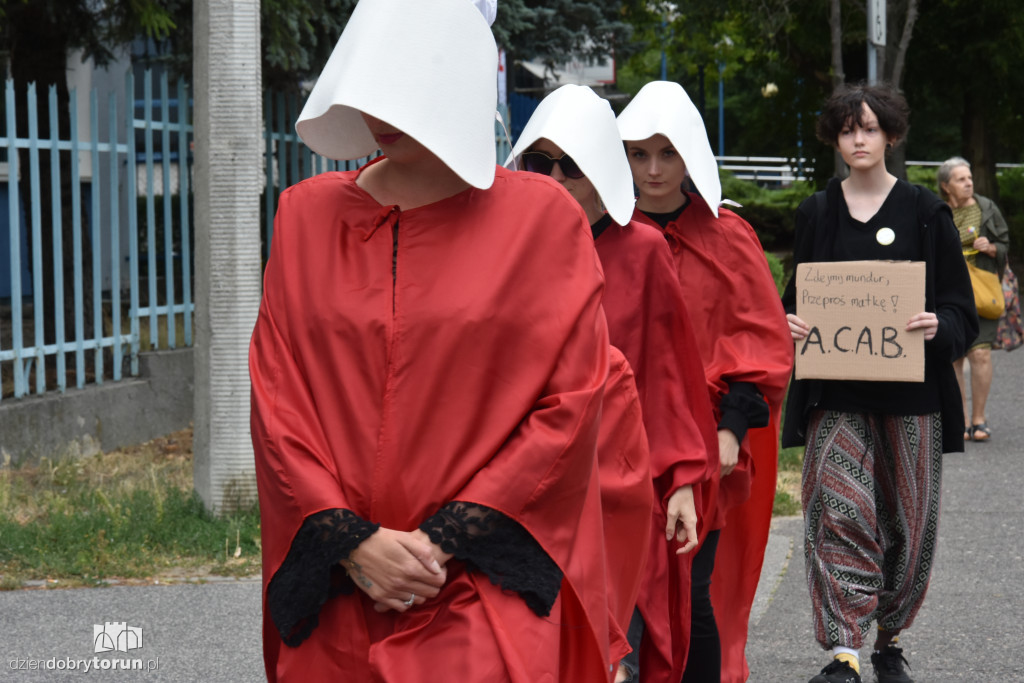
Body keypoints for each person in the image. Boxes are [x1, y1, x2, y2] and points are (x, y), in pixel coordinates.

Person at [248, 1, 624, 680]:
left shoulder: (542, 222)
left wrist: (442, 540)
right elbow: (279, 399)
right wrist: (351, 540)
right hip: (340, 591)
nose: (381, 106)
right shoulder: (303, 218)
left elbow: (569, 401)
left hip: (480, 587)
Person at [508, 83, 719, 683]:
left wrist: (680, 481)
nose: (551, 178)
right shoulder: (506, 250)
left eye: (569, 165)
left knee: (611, 639)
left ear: (599, 170)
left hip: (615, 484)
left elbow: (668, 373)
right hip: (524, 479)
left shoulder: (644, 249)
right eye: (537, 162)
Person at [782, 83, 978, 683]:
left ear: (890, 134)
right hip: (837, 395)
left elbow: (961, 313)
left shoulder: (925, 211)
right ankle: (844, 651)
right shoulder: (818, 212)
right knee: (836, 511)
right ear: (835, 140)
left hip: (911, 398)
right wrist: (787, 323)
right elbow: (793, 302)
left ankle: (889, 640)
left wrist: (937, 326)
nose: (858, 139)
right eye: (846, 130)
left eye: (868, 128)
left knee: (906, 525)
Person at [617, 80, 794, 683]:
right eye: (638, 154)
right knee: (623, 593)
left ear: (691, 153)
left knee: (691, 589)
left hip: (704, 445)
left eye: (667, 153)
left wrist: (730, 430)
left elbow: (759, 343)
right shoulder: (606, 234)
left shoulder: (729, 237)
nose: (654, 169)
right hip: (622, 442)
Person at [936, 156, 1010, 443]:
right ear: (946, 186)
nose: (968, 183)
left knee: (979, 353)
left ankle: (979, 419)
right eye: (961, 179)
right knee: (955, 357)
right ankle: (961, 419)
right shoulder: (937, 211)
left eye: (969, 178)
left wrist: (990, 247)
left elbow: (1005, 244)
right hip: (949, 294)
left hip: (982, 292)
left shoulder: (987, 209)